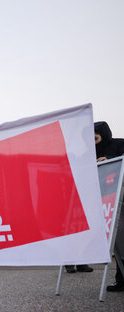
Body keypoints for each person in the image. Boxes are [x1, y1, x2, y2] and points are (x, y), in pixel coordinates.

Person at [95, 121, 124, 292]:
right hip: (107, 201)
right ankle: (120, 280)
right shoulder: (91, 151)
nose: (94, 143)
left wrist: (111, 160)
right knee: (118, 243)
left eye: (96, 138)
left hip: (121, 197)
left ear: (104, 136)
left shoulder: (120, 144)